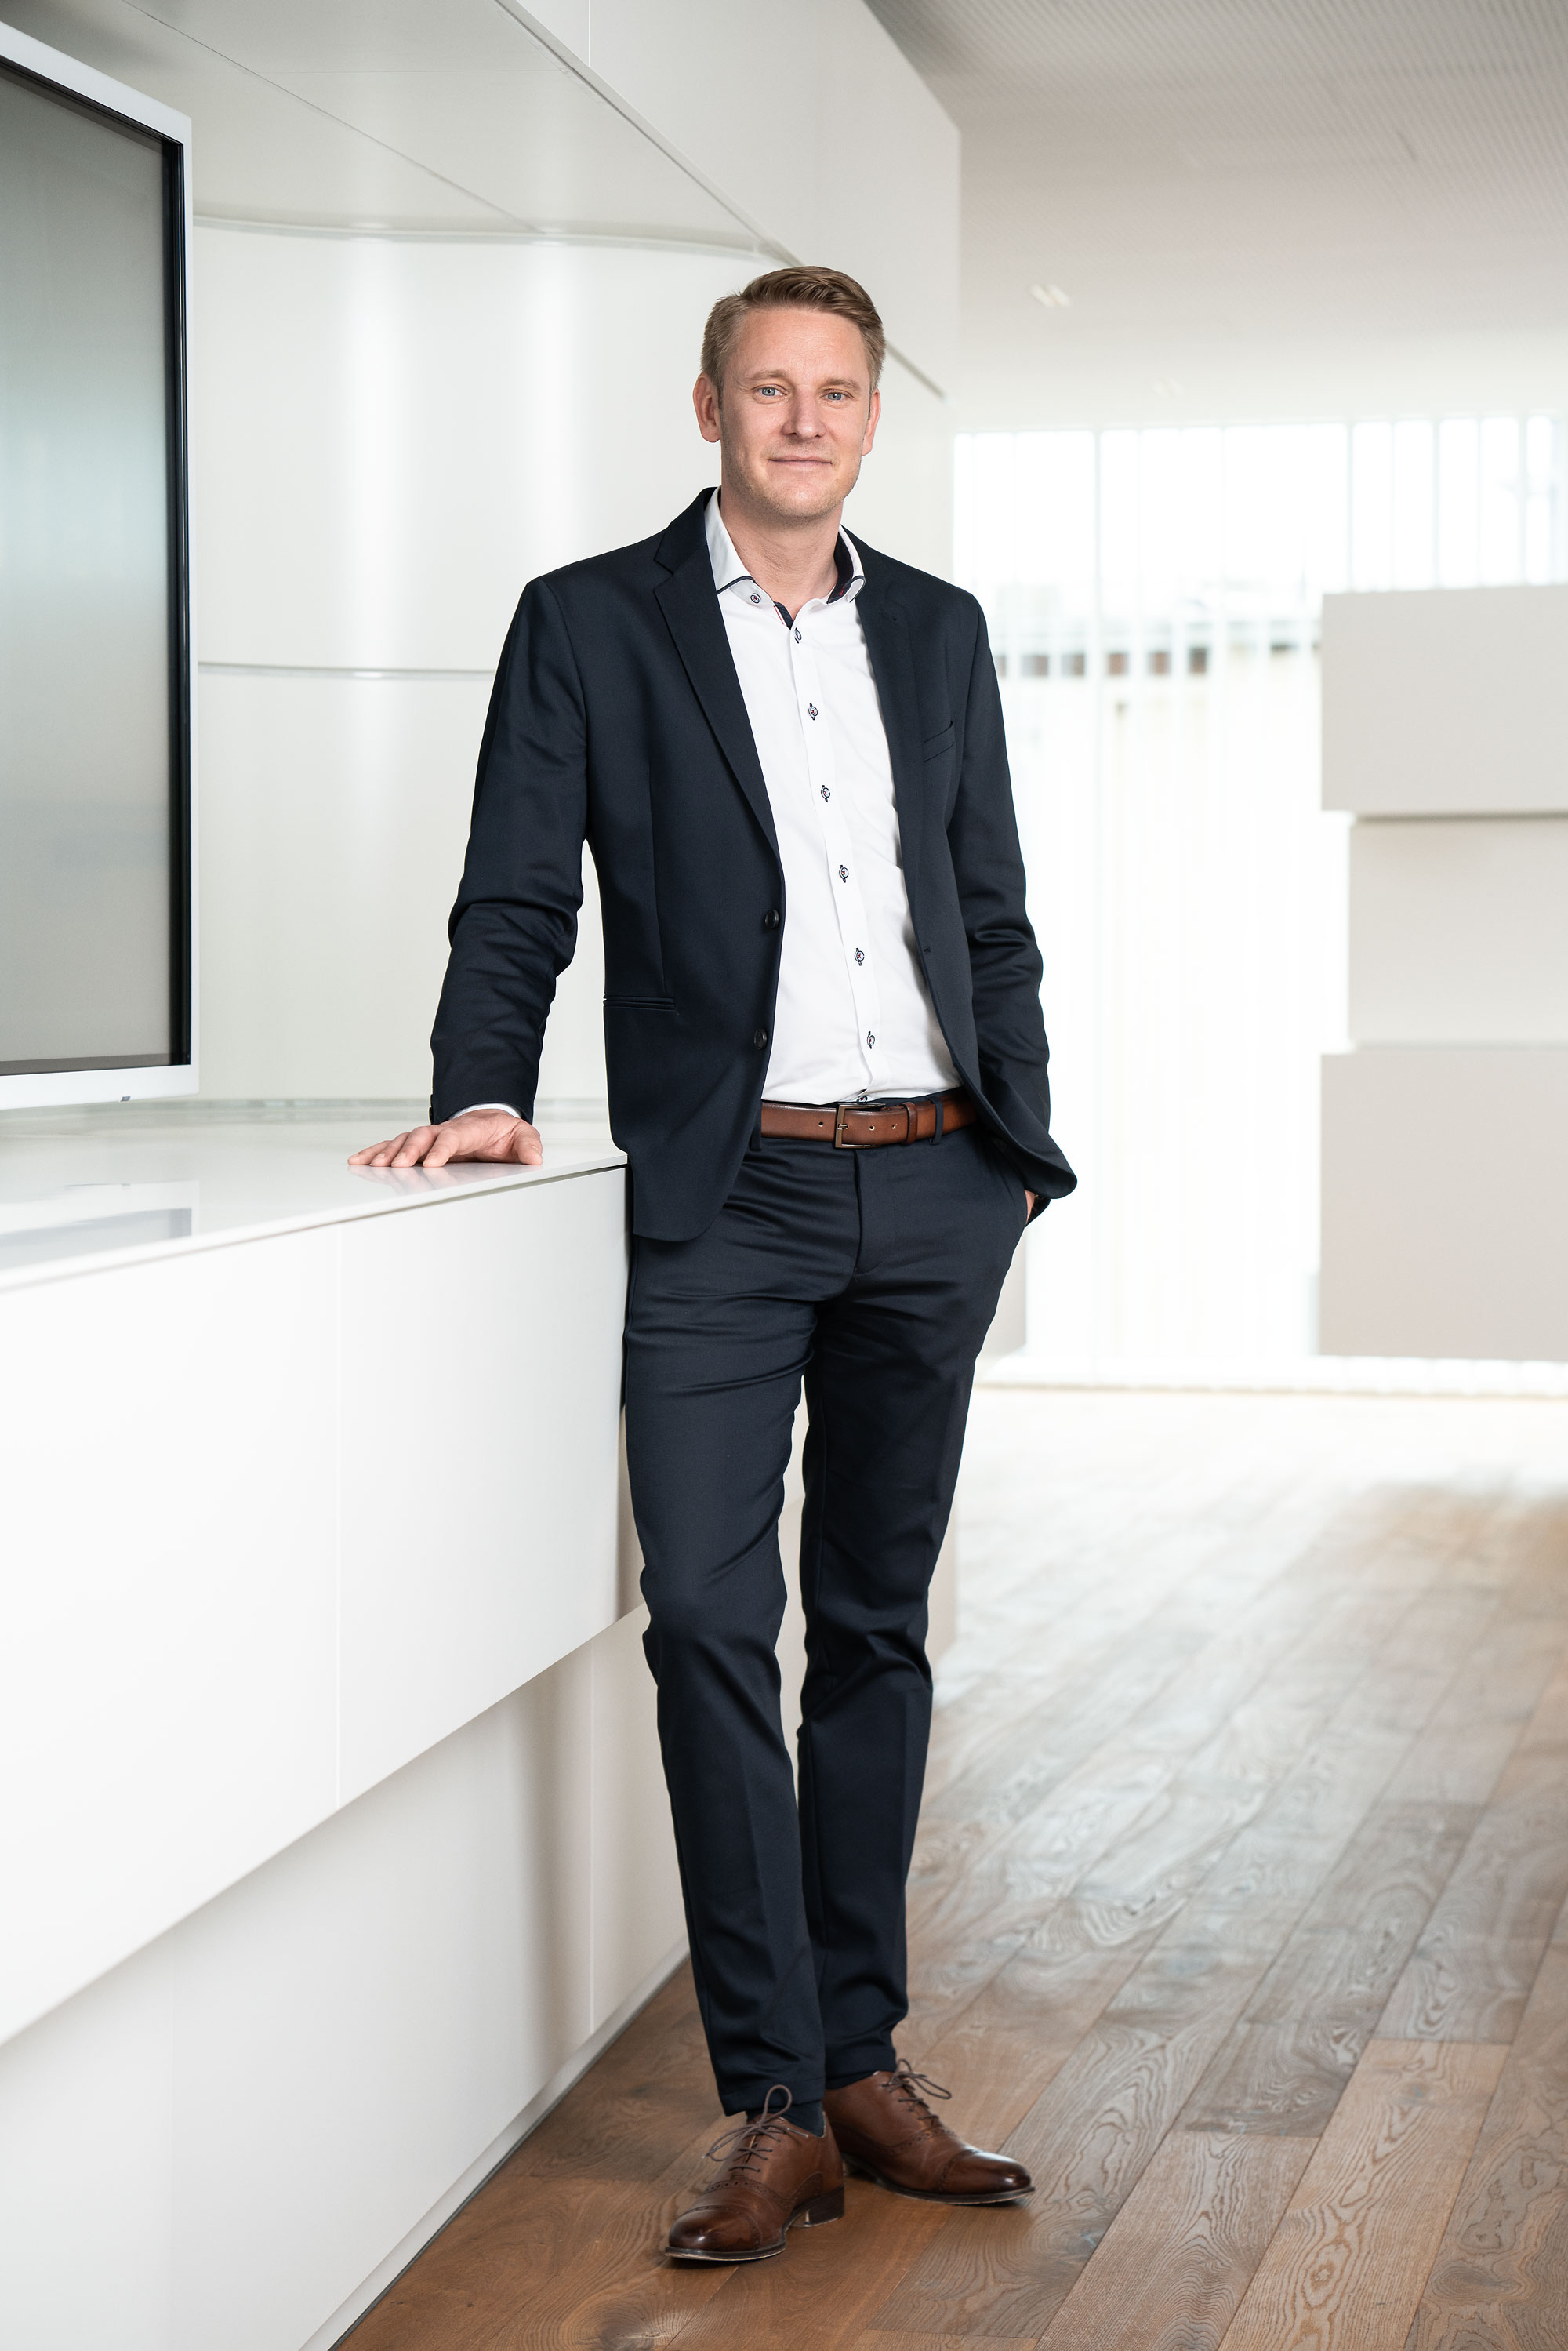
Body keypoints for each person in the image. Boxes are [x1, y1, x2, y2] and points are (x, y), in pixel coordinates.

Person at [351, 265, 1075, 2262]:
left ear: (870, 419)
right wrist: (480, 1087)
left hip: (933, 1182)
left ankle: (863, 2058)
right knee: (702, 1620)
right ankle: (774, 2095)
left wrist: (1017, 1145)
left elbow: (988, 906)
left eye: (836, 391)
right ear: (709, 409)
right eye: (770, 388)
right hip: (725, 1196)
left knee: (879, 1626)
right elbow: (518, 887)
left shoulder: (938, 630)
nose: (803, 420)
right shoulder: (591, 621)